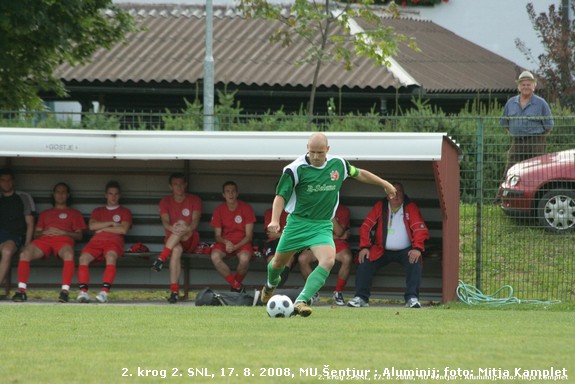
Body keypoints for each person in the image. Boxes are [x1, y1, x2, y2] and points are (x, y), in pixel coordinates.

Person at [261, 132, 396, 317]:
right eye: (312, 152)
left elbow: (360, 174)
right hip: (297, 224)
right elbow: (280, 196)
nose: (316, 156)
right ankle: (269, 285)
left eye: (320, 152)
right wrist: (275, 220)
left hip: (322, 225)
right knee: (277, 264)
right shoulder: (294, 169)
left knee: (328, 260)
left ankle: (302, 300)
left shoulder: (338, 164)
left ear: (328, 150)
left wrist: (384, 184)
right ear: (307, 149)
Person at [347, 182, 429, 309]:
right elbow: (365, 227)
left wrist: (417, 248)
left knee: (415, 261)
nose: (396, 195)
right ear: (387, 195)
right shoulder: (380, 206)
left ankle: (412, 298)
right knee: (364, 261)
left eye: (399, 191)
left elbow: (420, 229)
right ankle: (361, 298)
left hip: (406, 250)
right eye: (392, 192)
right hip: (381, 249)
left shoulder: (410, 207)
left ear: (404, 193)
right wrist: (365, 247)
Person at [12, 182, 86, 303]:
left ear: (68, 195)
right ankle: (21, 291)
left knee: (69, 255)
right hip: (44, 240)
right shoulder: (46, 213)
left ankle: (65, 292)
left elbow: (79, 235)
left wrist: (63, 232)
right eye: (57, 192)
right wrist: (45, 232)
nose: (60, 195)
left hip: (63, 241)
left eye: (63, 192)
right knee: (24, 254)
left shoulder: (74, 213)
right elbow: (36, 234)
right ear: (53, 194)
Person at [77, 181, 132, 303]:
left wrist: (102, 228)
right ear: (105, 195)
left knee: (111, 256)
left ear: (120, 196)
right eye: (110, 194)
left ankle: (104, 292)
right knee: (83, 258)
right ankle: (83, 293)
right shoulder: (98, 211)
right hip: (96, 242)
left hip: (114, 242)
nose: (113, 197)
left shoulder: (125, 211)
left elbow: (123, 229)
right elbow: (92, 226)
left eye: (116, 194)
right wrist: (111, 223)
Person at [151, 172, 202, 304]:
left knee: (182, 222)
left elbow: (194, 223)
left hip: (190, 238)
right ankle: (174, 292)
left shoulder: (194, 200)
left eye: (181, 184)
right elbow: (165, 222)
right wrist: (173, 228)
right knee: (176, 251)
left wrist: (183, 227)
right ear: (170, 186)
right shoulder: (165, 201)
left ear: (185, 185)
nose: (178, 187)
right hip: (173, 241)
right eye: (175, 184)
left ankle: (161, 259)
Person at [297, 204, 353, 306]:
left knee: (347, 258)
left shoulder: (343, 210)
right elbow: (311, 232)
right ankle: (313, 291)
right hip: (318, 242)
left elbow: (340, 232)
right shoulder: (314, 207)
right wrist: (337, 236)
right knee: (302, 259)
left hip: (337, 244)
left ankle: (338, 292)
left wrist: (330, 213)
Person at [500, 70, 554, 173]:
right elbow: (505, 123)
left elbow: (549, 126)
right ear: (519, 87)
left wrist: (536, 136)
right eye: (523, 84)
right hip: (517, 142)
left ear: (534, 86)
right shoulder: (510, 103)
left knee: (537, 171)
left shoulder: (541, 103)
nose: (526, 87)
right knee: (511, 170)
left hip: (536, 143)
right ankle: (507, 189)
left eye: (528, 84)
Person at [209, 181, 256, 293]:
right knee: (215, 257)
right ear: (223, 195)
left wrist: (235, 246)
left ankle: (235, 286)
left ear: (237, 193)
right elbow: (217, 236)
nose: (230, 194)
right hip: (225, 243)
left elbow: (249, 236)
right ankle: (236, 286)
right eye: (227, 192)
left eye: (233, 191)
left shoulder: (246, 208)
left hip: (242, 243)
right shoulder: (219, 210)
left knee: (244, 259)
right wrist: (226, 243)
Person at [0, 169, 35, 289]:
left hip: (14, 235)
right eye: (3, 180)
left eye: (9, 180)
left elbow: (30, 223)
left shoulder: (23, 197)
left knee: (7, 251)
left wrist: (27, 244)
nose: (6, 183)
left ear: (13, 182)